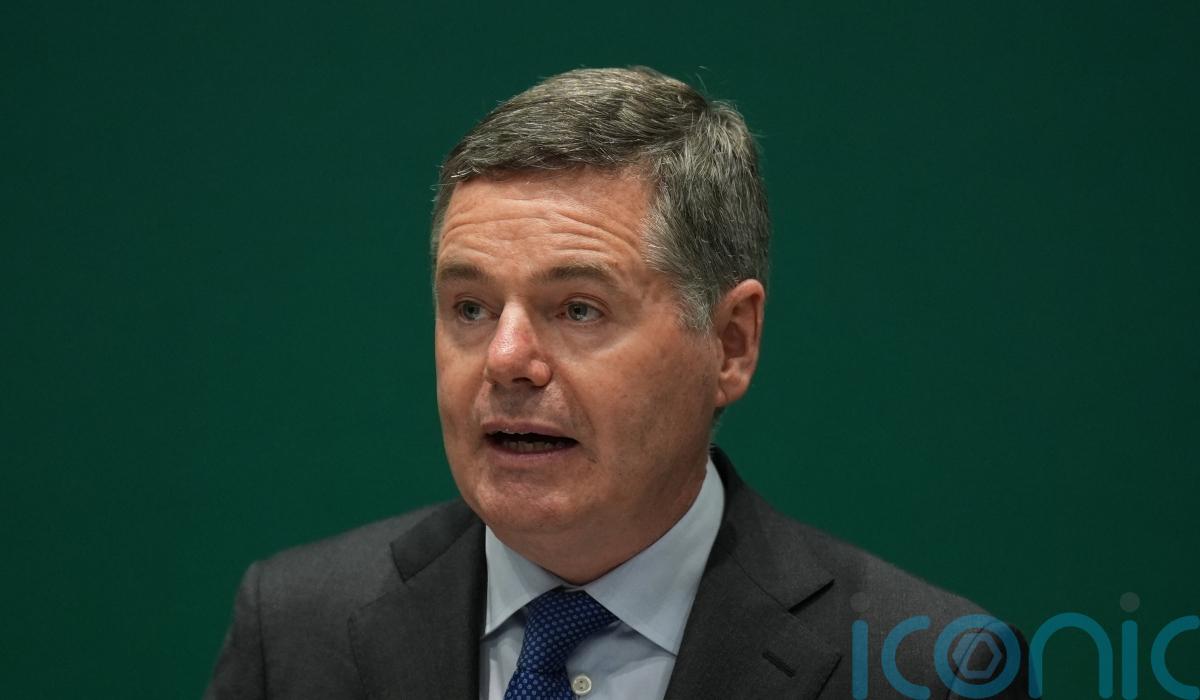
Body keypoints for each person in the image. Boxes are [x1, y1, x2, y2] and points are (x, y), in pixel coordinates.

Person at [206, 67, 1030, 699]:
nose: (505, 358)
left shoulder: (927, 669)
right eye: (470, 307)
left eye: (578, 309)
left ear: (730, 343)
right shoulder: (294, 628)